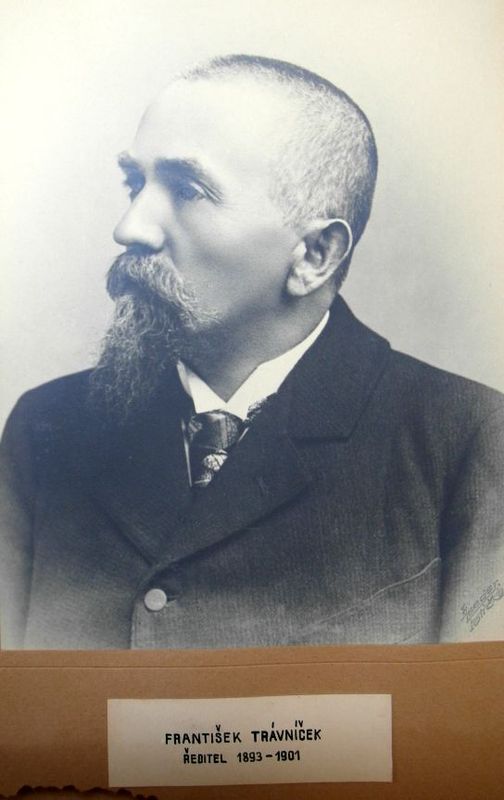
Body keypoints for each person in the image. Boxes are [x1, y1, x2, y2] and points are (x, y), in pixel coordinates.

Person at [1, 54, 503, 650]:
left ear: (315, 255)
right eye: (136, 184)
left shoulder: (465, 441)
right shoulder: (46, 428)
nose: (129, 228)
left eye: (187, 190)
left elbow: (472, 705)